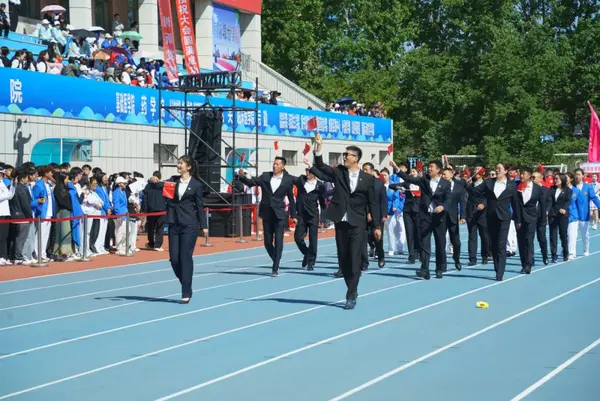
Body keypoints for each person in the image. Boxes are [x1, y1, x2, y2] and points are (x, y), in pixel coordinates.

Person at [310, 132, 381, 310]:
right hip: (341, 221)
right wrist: (318, 147)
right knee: (343, 260)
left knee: (355, 258)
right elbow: (320, 165)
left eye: (347, 155)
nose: (344, 157)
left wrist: (377, 225)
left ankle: (350, 295)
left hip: (358, 223)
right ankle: (352, 286)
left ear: (355, 159)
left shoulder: (369, 179)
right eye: (344, 154)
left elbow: (373, 203)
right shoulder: (338, 173)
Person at [237, 157, 297, 277]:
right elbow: (251, 182)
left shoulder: (288, 179)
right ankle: (276, 258)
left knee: (279, 241)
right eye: (274, 163)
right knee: (267, 243)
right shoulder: (265, 176)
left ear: (283, 166)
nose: (274, 166)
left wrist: (293, 215)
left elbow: (291, 198)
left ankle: (275, 267)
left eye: (277, 164)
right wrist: (242, 176)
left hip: (280, 214)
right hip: (267, 213)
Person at [396, 160, 451, 279]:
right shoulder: (424, 180)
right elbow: (410, 179)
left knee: (440, 244)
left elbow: (448, 199)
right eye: (429, 167)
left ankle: (439, 268)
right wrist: (397, 169)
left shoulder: (446, 183)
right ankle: (425, 269)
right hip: (425, 217)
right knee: (424, 244)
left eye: (432, 167)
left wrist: (443, 206)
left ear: (438, 170)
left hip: (439, 218)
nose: (429, 169)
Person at [164, 155, 207, 304]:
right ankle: (186, 282)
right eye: (178, 163)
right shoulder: (172, 181)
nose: (178, 165)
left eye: (181, 163)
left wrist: (204, 225)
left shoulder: (196, 185)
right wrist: (154, 182)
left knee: (185, 257)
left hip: (189, 224)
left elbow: (200, 207)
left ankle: (186, 291)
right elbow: (164, 195)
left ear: (188, 167)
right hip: (173, 223)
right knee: (174, 259)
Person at [469, 163, 521, 281]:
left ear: (506, 171)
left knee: (501, 244)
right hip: (491, 216)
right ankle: (497, 267)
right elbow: (475, 191)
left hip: (504, 217)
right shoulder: (489, 183)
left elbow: (515, 203)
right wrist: (468, 183)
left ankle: (500, 272)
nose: (497, 170)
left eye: (499, 169)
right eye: (496, 168)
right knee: (493, 244)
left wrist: (517, 219)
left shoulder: (511, 185)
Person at [293, 162, 325, 271]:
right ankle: (306, 253)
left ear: (315, 173)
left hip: (313, 216)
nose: (307, 173)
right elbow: (288, 178)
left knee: (313, 239)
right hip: (302, 215)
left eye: (309, 171)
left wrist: (323, 217)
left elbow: (322, 202)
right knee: (297, 238)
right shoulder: (300, 180)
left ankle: (311, 262)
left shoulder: (320, 185)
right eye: (306, 170)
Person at [515, 167, 547, 274]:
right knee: (521, 242)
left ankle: (528, 264)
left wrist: (542, 220)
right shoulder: (516, 186)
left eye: (523, 174)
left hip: (532, 217)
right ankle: (523, 263)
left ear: (529, 175)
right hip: (519, 218)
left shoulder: (538, 189)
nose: (521, 176)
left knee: (529, 240)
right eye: (520, 174)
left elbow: (542, 205)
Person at [441, 167, 467, 271]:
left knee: (456, 241)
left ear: (451, 175)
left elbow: (463, 202)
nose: (444, 176)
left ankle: (456, 259)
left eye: (445, 174)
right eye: (442, 175)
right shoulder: (440, 186)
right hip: (441, 217)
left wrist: (463, 216)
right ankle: (442, 264)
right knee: (441, 241)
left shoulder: (458, 188)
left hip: (453, 217)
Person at [548, 173, 571, 263]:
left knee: (563, 235)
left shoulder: (568, 190)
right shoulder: (552, 189)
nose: (555, 180)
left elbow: (568, 201)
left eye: (557, 179)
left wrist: (564, 209)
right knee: (552, 236)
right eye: (555, 178)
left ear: (562, 179)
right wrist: (547, 210)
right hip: (553, 215)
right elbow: (549, 201)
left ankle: (565, 253)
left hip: (562, 215)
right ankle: (553, 255)